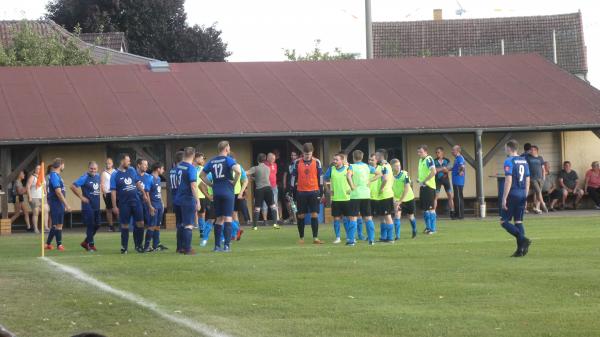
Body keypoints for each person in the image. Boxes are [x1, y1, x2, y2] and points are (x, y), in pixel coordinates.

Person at [200, 141, 241, 252]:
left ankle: (217, 246)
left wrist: (211, 184)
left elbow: (201, 175)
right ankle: (226, 246)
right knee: (228, 218)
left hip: (216, 192)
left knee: (218, 219)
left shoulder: (212, 161)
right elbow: (238, 171)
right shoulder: (228, 159)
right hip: (227, 191)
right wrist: (234, 182)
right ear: (226, 149)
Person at [500, 140, 532, 257]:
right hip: (522, 193)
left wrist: (504, 198)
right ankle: (520, 251)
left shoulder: (509, 161)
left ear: (509, 148)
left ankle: (523, 239)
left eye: (505, 148)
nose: (505, 150)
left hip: (512, 193)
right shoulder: (524, 160)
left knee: (503, 221)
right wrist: (525, 195)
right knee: (518, 221)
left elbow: (508, 180)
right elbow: (528, 180)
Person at [110, 154, 145, 254]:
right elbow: (113, 191)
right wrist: (114, 206)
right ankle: (124, 247)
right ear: (122, 161)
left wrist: (143, 193)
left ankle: (138, 245)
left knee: (140, 223)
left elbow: (137, 182)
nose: (129, 162)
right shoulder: (115, 174)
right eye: (128, 161)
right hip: (124, 204)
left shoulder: (132, 170)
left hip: (136, 201)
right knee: (125, 225)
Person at [290, 142, 324, 244]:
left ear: (312, 152)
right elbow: (293, 177)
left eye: (309, 154)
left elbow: (321, 177)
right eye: (305, 154)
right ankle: (301, 238)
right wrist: (291, 190)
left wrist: (321, 190)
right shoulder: (297, 163)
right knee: (301, 215)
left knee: (314, 214)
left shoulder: (317, 162)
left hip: (314, 191)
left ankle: (315, 238)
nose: (307, 156)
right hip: (301, 192)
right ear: (302, 153)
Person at [175, 147, 201, 255]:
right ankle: (188, 249)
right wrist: (197, 201)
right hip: (187, 199)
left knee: (181, 224)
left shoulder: (178, 166)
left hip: (178, 198)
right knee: (188, 225)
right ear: (193, 155)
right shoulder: (191, 168)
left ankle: (180, 247)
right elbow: (193, 185)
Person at [71, 161, 101, 252]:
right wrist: (81, 197)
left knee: (98, 225)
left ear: (97, 169)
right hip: (88, 206)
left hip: (96, 205)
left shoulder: (98, 176)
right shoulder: (84, 177)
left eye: (95, 169)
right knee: (91, 225)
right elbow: (72, 186)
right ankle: (91, 245)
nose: (93, 170)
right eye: (91, 168)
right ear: (88, 168)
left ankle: (85, 242)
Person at [324, 153, 353, 245]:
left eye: (336, 160)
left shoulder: (348, 168)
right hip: (336, 199)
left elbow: (353, 178)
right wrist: (328, 190)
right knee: (336, 219)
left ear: (342, 160)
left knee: (348, 219)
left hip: (347, 198)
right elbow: (324, 179)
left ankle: (350, 237)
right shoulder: (331, 169)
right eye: (334, 159)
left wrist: (351, 188)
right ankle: (338, 237)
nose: (334, 161)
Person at [347, 150, 375, 244]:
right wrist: (370, 180)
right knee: (368, 217)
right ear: (362, 157)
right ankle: (371, 239)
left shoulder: (352, 166)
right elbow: (379, 174)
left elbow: (348, 176)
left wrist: (352, 186)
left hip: (355, 195)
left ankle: (351, 241)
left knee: (353, 217)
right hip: (366, 195)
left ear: (353, 157)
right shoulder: (367, 166)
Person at [247, 153, 279, 231]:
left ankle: (254, 226)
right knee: (273, 206)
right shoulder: (268, 168)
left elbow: (246, 173)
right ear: (265, 160)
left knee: (257, 208)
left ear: (257, 160)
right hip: (268, 188)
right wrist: (254, 178)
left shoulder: (255, 168)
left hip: (259, 189)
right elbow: (263, 178)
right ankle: (275, 224)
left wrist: (249, 176)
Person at [45, 158, 71, 251]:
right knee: (57, 225)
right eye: (63, 165)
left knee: (58, 224)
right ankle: (59, 245)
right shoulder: (54, 176)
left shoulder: (56, 175)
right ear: (60, 165)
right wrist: (66, 204)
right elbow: (58, 192)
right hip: (56, 203)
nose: (64, 166)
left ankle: (48, 244)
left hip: (58, 203)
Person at [390, 159, 417, 240]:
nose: (398, 167)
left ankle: (414, 229)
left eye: (399, 165)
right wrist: (394, 199)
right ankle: (397, 236)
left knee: (410, 216)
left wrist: (400, 201)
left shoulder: (405, 174)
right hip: (397, 199)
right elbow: (389, 188)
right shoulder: (390, 176)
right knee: (397, 216)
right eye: (396, 166)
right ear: (392, 167)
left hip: (408, 198)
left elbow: (407, 188)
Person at [373, 149, 395, 243]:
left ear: (381, 156)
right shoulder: (387, 165)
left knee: (387, 216)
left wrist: (382, 188)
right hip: (384, 195)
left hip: (385, 194)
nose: (375, 157)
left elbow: (385, 179)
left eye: (376, 156)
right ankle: (384, 237)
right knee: (382, 217)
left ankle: (390, 238)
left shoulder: (385, 166)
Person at [145, 162, 168, 251]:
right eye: (162, 168)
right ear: (158, 169)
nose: (163, 170)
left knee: (157, 225)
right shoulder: (150, 178)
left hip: (159, 205)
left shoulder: (158, 178)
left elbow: (158, 192)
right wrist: (150, 206)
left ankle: (156, 245)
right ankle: (147, 246)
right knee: (151, 225)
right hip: (153, 205)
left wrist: (162, 203)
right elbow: (147, 193)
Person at [417, 145, 437, 234]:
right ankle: (428, 227)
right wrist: (419, 179)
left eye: (421, 152)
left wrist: (425, 181)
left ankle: (432, 229)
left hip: (429, 187)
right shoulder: (421, 160)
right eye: (418, 152)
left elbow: (434, 172)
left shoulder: (429, 159)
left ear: (426, 152)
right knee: (425, 209)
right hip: (423, 187)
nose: (419, 154)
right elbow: (423, 172)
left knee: (431, 208)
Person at [136, 159, 154, 253]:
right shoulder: (134, 176)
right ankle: (139, 245)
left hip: (146, 204)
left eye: (147, 165)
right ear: (139, 165)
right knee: (140, 224)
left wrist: (150, 205)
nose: (146, 166)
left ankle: (147, 245)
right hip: (136, 203)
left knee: (150, 224)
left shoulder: (149, 177)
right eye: (144, 164)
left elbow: (149, 193)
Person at [169, 151, 184, 253]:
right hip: (182, 198)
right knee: (185, 223)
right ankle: (183, 246)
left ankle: (179, 247)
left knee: (179, 224)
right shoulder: (181, 170)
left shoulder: (172, 171)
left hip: (174, 199)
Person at [525, 145, 548, 214]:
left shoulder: (540, 158)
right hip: (532, 178)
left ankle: (537, 208)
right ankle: (543, 203)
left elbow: (543, 168)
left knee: (538, 193)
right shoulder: (528, 157)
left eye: (533, 150)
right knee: (538, 191)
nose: (531, 151)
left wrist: (544, 177)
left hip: (540, 178)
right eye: (530, 150)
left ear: (536, 151)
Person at [433, 147, 454, 217]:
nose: (437, 154)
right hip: (437, 180)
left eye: (438, 152)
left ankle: (452, 211)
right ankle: (434, 213)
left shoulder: (447, 160)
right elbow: (434, 170)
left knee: (450, 196)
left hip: (446, 180)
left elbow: (450, 168)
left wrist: (441, 169)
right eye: (436, 152)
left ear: (442, 152)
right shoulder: (434, 161)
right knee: (435, 197)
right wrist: (443, 168)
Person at [194, 153, 208, 243]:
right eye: (202, 158)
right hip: (201, 194)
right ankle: (202, 230)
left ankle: (201, 230)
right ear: (197, 158)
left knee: (201, 213)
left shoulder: (193, 169)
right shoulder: (199, 169)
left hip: (200, 194)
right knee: (202, 213)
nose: (204, 160)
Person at [261, 153, 278, 225]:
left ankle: (275, 220)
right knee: (265, 204)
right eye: (272, 159)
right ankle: (265, 221)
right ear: (268, 158)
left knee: (274, 203)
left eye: (274, 159)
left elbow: (274, 174)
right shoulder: (263, 165)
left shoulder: (275, 165)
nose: (273, 160)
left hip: (274, 186)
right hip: (266, 186)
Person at [282, 151, 299, 223]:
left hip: (297, 186)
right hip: (289, 186)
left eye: (294, 155)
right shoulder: (288, 164)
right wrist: (284, 185)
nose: (292, 157)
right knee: (288, 202)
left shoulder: (299, 164)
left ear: (297, 156)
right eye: (291, 155)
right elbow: (285, 175)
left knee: (294, 203)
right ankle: (291, 216)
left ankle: (295, 219)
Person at [101, 158, 117, 232]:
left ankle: (121, 225)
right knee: (109, 210)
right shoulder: (104, 173)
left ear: (112, 164)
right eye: (107, 163)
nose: (108, 165)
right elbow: (102, 184)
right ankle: (111, 226)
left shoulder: (115, 172)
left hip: (116, 193)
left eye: (109, 163)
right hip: (107, 193)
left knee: (117, 208)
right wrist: (104, 193)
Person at [26, 165, 42, 233]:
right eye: (37, 168)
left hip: (41, 197)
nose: (39, 170)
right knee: (36, 212)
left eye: (40, 169)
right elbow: (27, 186)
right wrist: (29, 196)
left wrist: (46, 193)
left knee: (45, 210)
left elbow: (44, 187)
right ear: (35, 170)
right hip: (34, 197)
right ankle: (35, 228)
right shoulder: (32, 177)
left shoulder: (42, 177)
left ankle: (45, 227)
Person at [451, 145, 466, 220]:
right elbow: (455, 167)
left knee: (459, 198)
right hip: (455, 181)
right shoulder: (456, 158)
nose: (452, 151)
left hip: (458, 181)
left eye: (453, 150)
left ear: (457, 151)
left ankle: (460, 215)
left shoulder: (460, 158)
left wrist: (461, 171)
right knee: (456, 198)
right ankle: (457, 214)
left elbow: (462, 166)